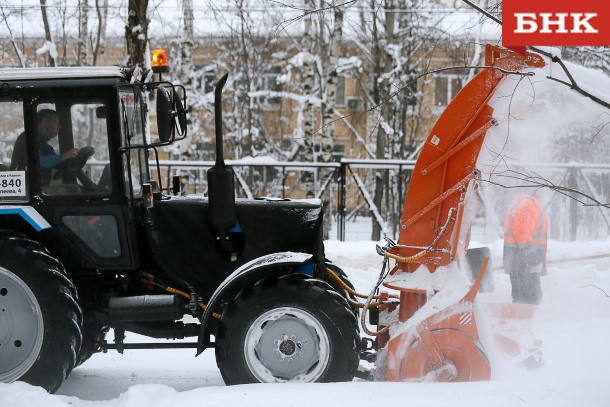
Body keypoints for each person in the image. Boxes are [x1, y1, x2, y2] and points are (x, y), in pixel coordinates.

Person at [503, 192, 548, 305]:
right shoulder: (528, 205)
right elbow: (523, 237)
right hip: (526, 262)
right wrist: (535, 260)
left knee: (522, 301)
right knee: (530, 301)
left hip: (520, 262)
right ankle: (523, 321)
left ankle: (519, 321)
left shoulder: (522, 203)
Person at [11, 109, 79, 184]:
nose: (59, 126)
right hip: (29, 187)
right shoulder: (29, 138)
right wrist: (65, 156)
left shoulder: (43, 144)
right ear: (45, 122)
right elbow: (39, 162)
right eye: (56, 122)